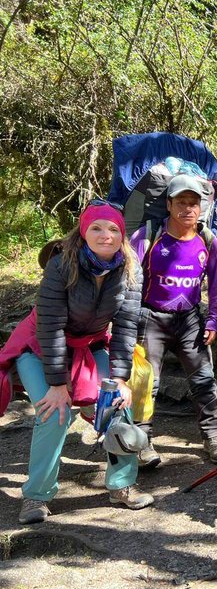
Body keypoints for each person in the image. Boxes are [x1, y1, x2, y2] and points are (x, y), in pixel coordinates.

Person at [0, 201, 152, 524]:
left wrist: (120, 379)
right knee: (53, 412)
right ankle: (37, 495)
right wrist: (58, 385)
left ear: (122, 235)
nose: (105, 235)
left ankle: (122, 485)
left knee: (116, 405)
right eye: (96, 228)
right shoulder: (61, 264)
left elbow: (126, 326)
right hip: (40, 346)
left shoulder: (130, 268)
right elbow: (50, 326)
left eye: (113, 229)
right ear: (83, 232)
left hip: (90, 344)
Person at [130, 175, 217, 468]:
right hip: (151, 318)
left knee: (204, 380)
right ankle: (141, 442)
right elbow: (129, 278)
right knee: (145, 384)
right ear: (169, 204)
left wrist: (214, 320)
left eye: (193, 203)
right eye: (181, 202)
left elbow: (216, 285)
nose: (188, 209)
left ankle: (213, 437)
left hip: (189, 320)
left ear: (201, 207)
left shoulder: (207, 241)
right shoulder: (148, 236)